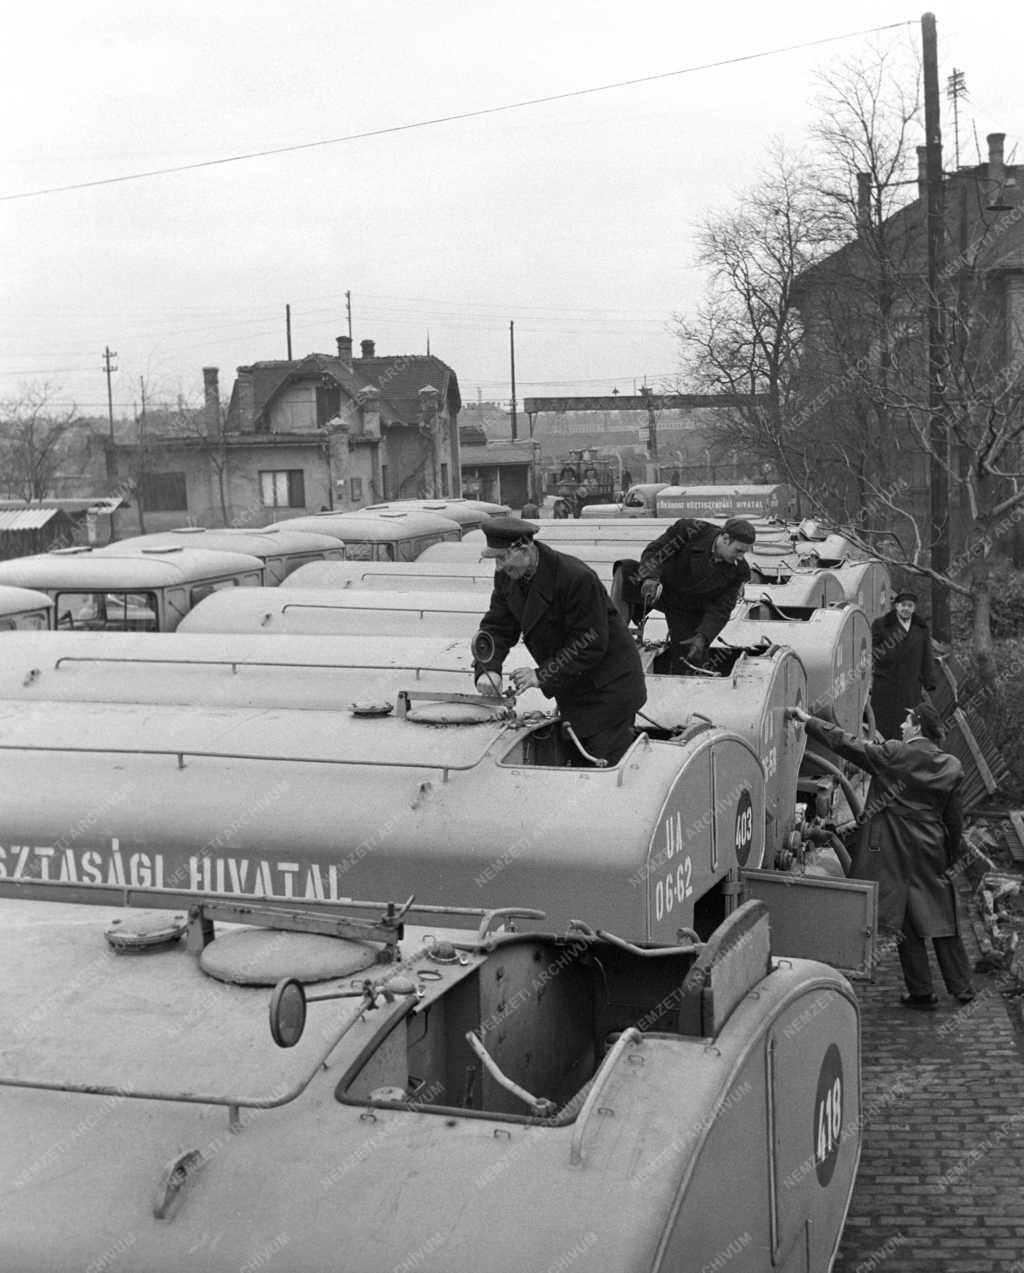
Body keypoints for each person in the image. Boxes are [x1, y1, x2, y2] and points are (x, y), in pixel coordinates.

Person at [788, 702, 975, 1010]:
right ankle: (962, 987)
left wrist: (808, 721)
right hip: (932, 846)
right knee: (943, 916)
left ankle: (922, 991)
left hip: (894, 846)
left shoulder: (894, 754)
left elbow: (847, 744)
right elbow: (955, 821)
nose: (901, 727)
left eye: (906, 721)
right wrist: (950, 857)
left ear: (916, 727)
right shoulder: (951, 766)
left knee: (905, 918)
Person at [473, 518, 646, 765]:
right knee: (577, 763)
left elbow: (589, 643)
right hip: (573, 687)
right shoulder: (508, 576)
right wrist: (487, 670)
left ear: (524, 549)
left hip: (609, 692)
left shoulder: (576, 578)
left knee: (600, 773)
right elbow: (497, 627)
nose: (499, 567)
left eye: (502, 558)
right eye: (495, 560)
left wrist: (542, 675)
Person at [633, 517, 755, 672]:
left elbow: (722, 608)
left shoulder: (739, 571)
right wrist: (650, 577)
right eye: (739, 550)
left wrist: (703, 636)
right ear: (725, 539)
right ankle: (614, 635)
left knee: (690, 661)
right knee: (625, 571)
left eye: (744, 552)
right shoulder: (690, 530)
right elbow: (656, 551)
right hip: (660, 588)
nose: (741, 557)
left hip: (689, 610)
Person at [870, 590, 937, 739]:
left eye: (910, 605)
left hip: (910, 682)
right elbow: (871, 648)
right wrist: (885, 657)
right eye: (903, 605)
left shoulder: (921, 628)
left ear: (914, 608)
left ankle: (903, 748)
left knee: (906, 717)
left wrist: (929, 680)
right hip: (886, 680)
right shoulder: (881, 624)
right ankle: (881, 747)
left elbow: (927, 654)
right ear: (896, 606)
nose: (906, 608)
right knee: (882, 718)